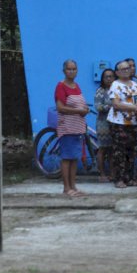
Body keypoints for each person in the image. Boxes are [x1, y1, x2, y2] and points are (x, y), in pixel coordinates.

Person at [54, 59, 90, 197]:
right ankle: (66, 188)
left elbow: (80, 104)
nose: (71, 71)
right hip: (67, 127)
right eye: (69, 69)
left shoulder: (77, 86)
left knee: (74, 158)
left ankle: (73, 186)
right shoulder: (61, 86)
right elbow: (60, 107)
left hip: (78, 127)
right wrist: (78, 111)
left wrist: (84, 109)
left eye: (74, 69)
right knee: (67, 158)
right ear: (64, 71)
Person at [108, 60, 137, 188]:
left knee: (132, 151)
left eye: (128, 68)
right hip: (119, 123)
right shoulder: (115, 85)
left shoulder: (135, 84)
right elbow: (116, 104)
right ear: (117, 72)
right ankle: (119, 179)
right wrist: (133, 108)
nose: (126, 70)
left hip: (133, 122)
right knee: (119, 151)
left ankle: (130, 178)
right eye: (122, 69)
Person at [94, 68, 116, 183]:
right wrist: (111, 106)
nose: (109, 78)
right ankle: (102, 174)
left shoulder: (117, 89)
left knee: (112, 149)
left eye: (111, 76)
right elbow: (98, 106)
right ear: (102, 79)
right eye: (106, 76)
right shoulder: (101, 91)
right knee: (103, 149)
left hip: (115, 123)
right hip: (103, 123)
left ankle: (112, 173)